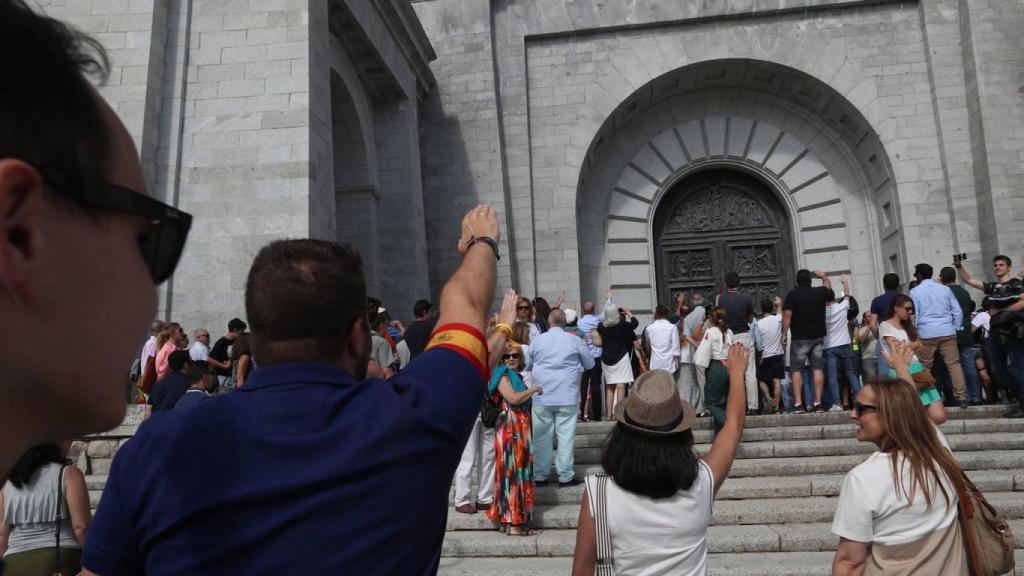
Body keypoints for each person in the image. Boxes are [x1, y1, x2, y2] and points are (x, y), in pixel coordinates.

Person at [82, 205, 504, 574]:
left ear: (256, 336)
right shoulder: (418, 416)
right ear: (359, 336)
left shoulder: (157, 446)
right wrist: (481, 240)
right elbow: (464, 301)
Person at [571, 345, 749, 575]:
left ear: (623, 432)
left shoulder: (599, 490)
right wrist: (737, 373)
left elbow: (582, 570)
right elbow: (733, 426)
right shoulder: (703, 481)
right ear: (682, 433)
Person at [831, 341, 968, 575]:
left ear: (888, 414)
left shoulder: (865, 478)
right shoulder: (938, 453)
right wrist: (902, 369)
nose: (853, 414)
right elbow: (914, 413)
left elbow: (850, 562)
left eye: (861, 408)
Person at [528, 309, 595, 487]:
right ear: (565, 323)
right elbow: (590, 363)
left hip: (542, 394)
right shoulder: (574, 340)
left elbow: (527, 364)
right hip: (567, 394)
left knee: (541, 437)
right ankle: (565, 476)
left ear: (549, 322)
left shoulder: (537, 340)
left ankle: (540, 476)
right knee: (566, 437)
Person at [0, 443, 91, 574]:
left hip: (14, 563)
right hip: (60, 559)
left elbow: (2, 535)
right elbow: (82, 527)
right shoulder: (68, 473)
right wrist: (95, 562)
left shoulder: (8, 483)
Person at [485, 345, 544, 535]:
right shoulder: (502, 375)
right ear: (501, 359)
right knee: (513, 473)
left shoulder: (515, 376)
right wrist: (533, 389)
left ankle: (515, 521)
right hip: (511, 426)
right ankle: (515, 524)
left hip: (519, 427)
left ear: (521, 358)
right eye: (506, 356)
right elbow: (513, 398)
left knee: (519, 471)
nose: (511, 359)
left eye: (515, 356)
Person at [957, 255, 1024, 417]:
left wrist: (1000, 310)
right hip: (995, 334)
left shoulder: (1016, 284)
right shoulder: (993, 287)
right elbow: (970, 280)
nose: (997, 268)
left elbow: (1023, 302)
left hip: (1013, 333)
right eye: (995, 265)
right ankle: (1019, 400)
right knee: (998, 370)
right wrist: (959, 267)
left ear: (1009, 268)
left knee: (1018, 368)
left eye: (1001, 265)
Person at [879, 295, 947, 425]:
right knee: (909, 415)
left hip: (918, 368)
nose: (910, 312)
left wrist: (913, 345)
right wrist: (914, 345)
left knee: (939, 416)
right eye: (908, 308)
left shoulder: (908, 325)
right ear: (896, 308)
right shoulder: (885, 325)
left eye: (912, 309)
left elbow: (918, 344)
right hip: (900, 370)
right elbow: (897, 347)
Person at [910, 263, 968, 409]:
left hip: (926, 332)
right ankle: (961, 397)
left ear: (919, 275)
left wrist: (914, 331)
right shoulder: (945, 289)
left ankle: (925, 398)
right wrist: (955, 327)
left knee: (925, 366)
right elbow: (957, 310)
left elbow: (914, 314)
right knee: (953, 364)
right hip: (947, 330)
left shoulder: (915, 291)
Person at [782, 269, 834, 412]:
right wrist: (824, 276)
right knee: (817, 369)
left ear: (797, 281)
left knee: (796, 370)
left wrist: (784, 333)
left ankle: (798, 403)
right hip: (817, 337)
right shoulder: (819, 292)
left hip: (799, 338)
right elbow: (829, 290)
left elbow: (787, 314)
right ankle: (818, 402)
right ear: (811, 281)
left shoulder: (792, 294)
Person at [937, 267, 983, 404]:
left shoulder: (943, 293)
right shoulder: (964, 292)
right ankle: (977, 396)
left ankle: (964, 397)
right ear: (954, 277)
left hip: (949, 334)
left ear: (942, 278)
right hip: (965, 334)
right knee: (969, 366)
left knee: (955, 367)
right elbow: (969, 310)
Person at [718, 272, 759, 414]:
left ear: (725, 285)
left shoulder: (720, 299)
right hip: (744, 335)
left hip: (728, 337)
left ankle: (733, 406)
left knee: (732, 373)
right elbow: (750, 319)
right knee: (750, 372)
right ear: (739, 283)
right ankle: (753, 406)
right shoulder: (746, 298)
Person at [597, 299, 639, 420]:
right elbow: (635, 323)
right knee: (621, 385)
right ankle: (619, 413)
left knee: (610, 386)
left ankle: (609, 414)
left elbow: (602, 321)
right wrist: (628, 312)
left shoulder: (601, 326)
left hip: (606, 358)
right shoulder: (621, 325)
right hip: (621, 356)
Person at [824, 275, 861, 411]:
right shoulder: (842, 306)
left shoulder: (822, 313)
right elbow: (847, 296)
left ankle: (837, 403)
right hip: (845, 344)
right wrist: (845, 282)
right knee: (850, 372)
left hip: (829, 346)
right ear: (834, 297)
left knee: (832, 375)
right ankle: (859, 399)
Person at [700, 307, 734, 432]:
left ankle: (727, 424)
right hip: (728, 366)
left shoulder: (711, 332)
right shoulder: (729, 332)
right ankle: (720, 434)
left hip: (715, 365)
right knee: (724, 402)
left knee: (711, 402)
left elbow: (703, 352)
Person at [678, 292, 707, 415]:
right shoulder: (704, 312)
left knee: (690, 384)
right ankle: (699, 407)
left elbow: (686, 336)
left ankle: (690, 408)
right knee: (697, 383)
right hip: (693, 355)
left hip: (688, 356)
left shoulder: (686, 319)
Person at [869, 273, 902, 375]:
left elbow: (873, 324)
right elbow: (912, 320)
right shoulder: (904, 299)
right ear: (898, 284)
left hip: (884, 338)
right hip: (903, 337)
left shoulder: (877, 301)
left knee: (885, 372)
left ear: (884, 285)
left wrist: (878, 335)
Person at [757, 298, 785, 414]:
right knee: (777, 380)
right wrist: (779, 304)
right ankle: (777, 405)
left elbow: (758, 342)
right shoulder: (777, 319)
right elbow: (780, 312)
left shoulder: (759, 324)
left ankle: (769, 398)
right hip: (778, 354)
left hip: (765, 355)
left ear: (761, 309)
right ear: (771, 308)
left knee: (761, 380)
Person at [577, 301, 604, 421]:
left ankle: (582, 413)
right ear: (594, 309)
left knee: (583, 386)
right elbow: (606, 313)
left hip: (584, 357)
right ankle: (597, 414)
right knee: (596, 385)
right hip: (597, 356)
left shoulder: (579, 322)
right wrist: (609, 300)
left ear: (583, 310)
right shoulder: (597, 320)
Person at [644, 305, 680, 374]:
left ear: (656, 314)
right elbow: (676, 346)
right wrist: (677, 361)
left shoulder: (649, 328)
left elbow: (647, 346)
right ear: (667, 314)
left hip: (655, 364)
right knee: (670, 384)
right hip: (670, 364)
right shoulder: (672, 327)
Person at [209, 318, 245, 388]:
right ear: (235, 330)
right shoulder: (221, 343)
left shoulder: (237, 341)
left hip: (233, 375)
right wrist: (224, 366)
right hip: (223, 376)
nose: (242, 334)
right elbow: (210, 359)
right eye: (241, 332)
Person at [137, 321, 165, 394]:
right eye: (164, 329)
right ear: (158, 330)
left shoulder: (153, 343)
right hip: (149, 380)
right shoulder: (152, 344)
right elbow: (149, 362)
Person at [856, 311, 879, 381]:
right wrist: (869, 327)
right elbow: (861, 339)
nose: (871, 318)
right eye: (869, 316)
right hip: (868, 360)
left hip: (879, 358)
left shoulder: (877, 328)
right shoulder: (861, 329)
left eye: (872, 316)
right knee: (871, 382)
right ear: (864, 319)